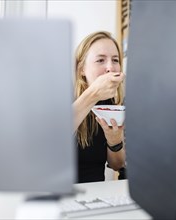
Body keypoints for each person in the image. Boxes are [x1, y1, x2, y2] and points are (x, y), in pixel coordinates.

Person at [73, 31, 126, 183]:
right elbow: (49, 142)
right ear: (81, 69)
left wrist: (114, 141)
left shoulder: (109, 105)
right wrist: (93, 94)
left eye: (115, 60)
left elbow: (117, 164)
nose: (110, 67)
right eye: (100, 60)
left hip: (96, 195)